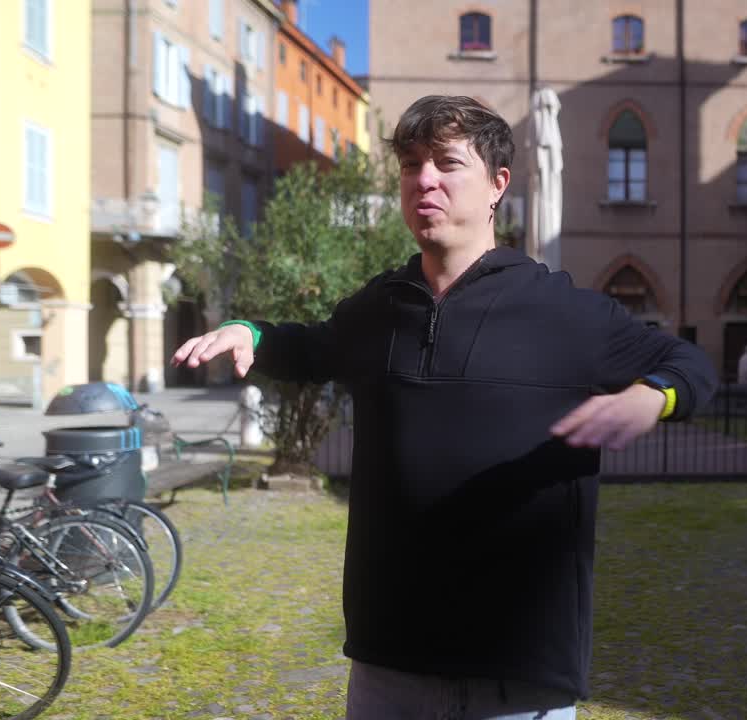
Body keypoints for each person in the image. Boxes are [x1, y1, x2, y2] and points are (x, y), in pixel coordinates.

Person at [172, 95, 718, 719]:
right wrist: (252, 333)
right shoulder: (381, 306)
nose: (423, 179)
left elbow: (691, 367)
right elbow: (310, 347)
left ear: (497, 186)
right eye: (410, 164)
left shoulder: (565, 313)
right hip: (389, 662)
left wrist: (652, 396)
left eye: (447, 163)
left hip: (518, 671)